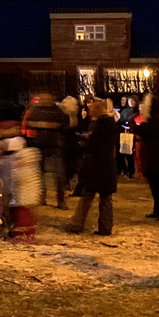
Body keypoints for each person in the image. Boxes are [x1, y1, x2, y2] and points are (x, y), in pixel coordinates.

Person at [67, 98, 118, 236]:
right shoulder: (110, 124)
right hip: (107, 165)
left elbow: (93, 145)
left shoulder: (100, 125)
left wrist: (84, 142)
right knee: (106, 198)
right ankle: (105, 227)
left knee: (87, 196)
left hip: (96, 165)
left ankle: (76, 224)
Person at [24, 92, 70, 209]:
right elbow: (28, 122)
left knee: (59, 174)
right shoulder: (36, 111)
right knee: (39, 174)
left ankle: (61, 199)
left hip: (55, 145)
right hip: (40, 144)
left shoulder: (57, 111)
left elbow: (65, 124)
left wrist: (52, 126)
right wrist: (40, 125)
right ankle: (41, 197)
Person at [134, 95, 159, 220]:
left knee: (158, 186)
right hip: (158, 157)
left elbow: (145, 131)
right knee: (156, 186)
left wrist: (135, 125)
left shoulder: (155, 120)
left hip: (157, 158)